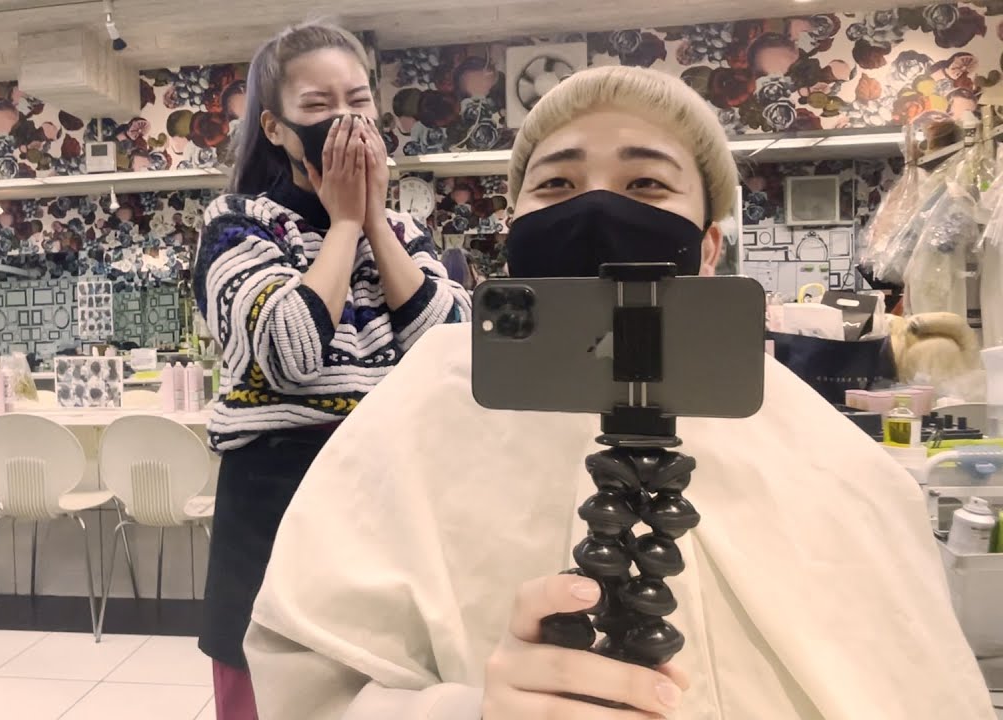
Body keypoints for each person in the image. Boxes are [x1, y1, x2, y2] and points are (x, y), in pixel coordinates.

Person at [243, 66, 993, 719]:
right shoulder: (424, 404)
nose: (596, 209)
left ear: (708, 244)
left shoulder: (809, 441)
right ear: (514, 227)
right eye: (556, 185)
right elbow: (309, 683)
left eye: (646, 184)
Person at [191, 21, 471, 720]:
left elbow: (455, 355)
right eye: (317, 106)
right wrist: (343, 225)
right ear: (276, 128)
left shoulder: (406, 234)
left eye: (358, 102)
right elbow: (290, 354)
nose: (344, 121)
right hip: (275, 500)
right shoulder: (236, 225)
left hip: (391, 499)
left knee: (384, 691)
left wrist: (375, 222)